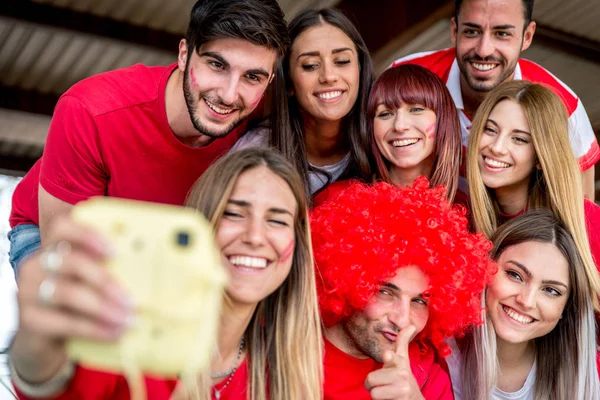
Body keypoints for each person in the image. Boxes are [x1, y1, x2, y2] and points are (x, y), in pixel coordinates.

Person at [9, 148, 323, 400]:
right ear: (200, 226)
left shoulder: (289, 369)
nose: (255, 237)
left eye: (278, 220)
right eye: (233, 213)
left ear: (297, 245)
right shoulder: (128, 331)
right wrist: (36, 346)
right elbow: (46, 381)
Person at [7, 0, 289, 277]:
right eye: (216, 65)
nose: (229, 95)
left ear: (269, 81)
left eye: (252, 77)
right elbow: (64, 249)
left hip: (164, 245)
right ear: (183, 54)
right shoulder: (91, 110)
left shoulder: (260, 117)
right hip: (54, 234)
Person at [391, 0, 599, 200]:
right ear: (454, 31)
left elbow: (581, 214)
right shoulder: (407, 79)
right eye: (472, 31)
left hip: (517, 232)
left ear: (527, 36)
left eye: (502, 34)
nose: (484, 50)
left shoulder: (563, 105)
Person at [310, 178, 496, 399]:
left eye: (420, 300)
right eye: (385, 292)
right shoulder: (281, 356)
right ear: (343, 281)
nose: (402, 320)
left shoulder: (427, 376)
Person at [465, 80, 600, 302]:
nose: (497, 147)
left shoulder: (586, 221)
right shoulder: (463, 224)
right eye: (490, 130)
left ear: (540, 157)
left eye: (519, 139)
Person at [447, 211, 600, 399]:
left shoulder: (580, 377)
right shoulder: (440, 357)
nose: (526, 301)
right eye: (515, 275)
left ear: (566, 308)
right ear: (485, 267)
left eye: (551, 290)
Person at [231, 8, 374, 197]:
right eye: (310, 65)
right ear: (289, 81)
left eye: (342, 61)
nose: (329, 76)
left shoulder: (383, 138)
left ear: (360, 70)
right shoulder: (254, 151)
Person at [368, 64, 461, 202]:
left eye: (416, 110)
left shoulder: (469, 210)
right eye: (385, 114)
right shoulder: (340, 199)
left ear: (443, 117)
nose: (399, 126)